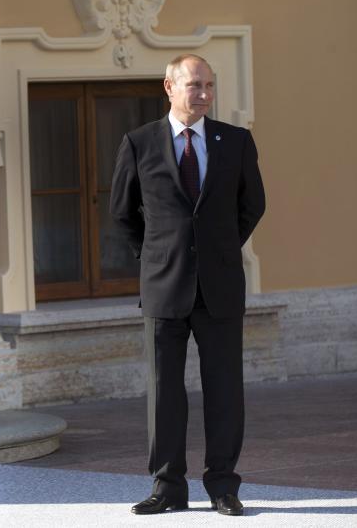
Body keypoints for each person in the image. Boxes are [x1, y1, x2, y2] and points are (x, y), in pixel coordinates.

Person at [110, 54, 265, 516]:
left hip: (219, 290)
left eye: (209, 86)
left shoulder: (234, 142)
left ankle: (223, 487)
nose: (203, 93)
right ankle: (167, 488)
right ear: (169, 87)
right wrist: (156, 257)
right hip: (164, 288)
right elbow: (122, 214)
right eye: (195, 84)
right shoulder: (139, 143)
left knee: (224, 392)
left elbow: (252, 205)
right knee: (164, 394)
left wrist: (217, 250)